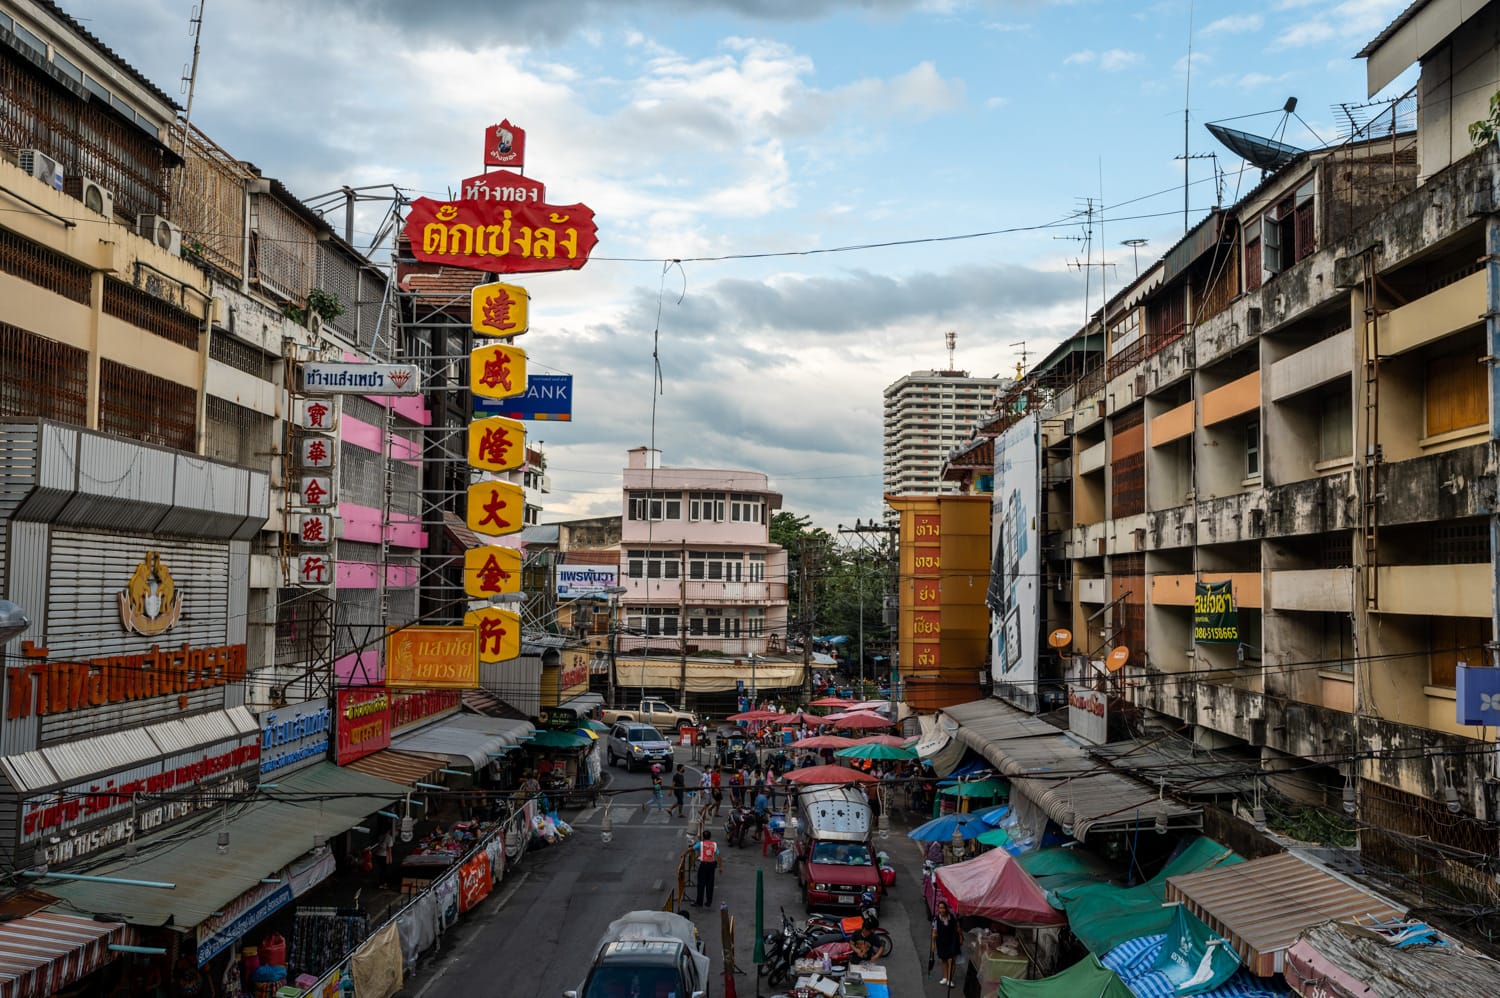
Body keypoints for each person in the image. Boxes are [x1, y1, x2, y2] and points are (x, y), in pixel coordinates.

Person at [932, 899, 962, 985]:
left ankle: (950, 979)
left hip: (952, 942)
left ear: (946, 909)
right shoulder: (936, 919)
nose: (942, 910)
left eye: (943, 908)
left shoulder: (952, 917)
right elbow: (934, 933)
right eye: (940, 908)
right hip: (941, 942)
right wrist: (933, 945)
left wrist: (960, 937)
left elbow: (958, 928)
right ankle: (945, 977)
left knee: (952, 961)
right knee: (944, 960)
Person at [693, 829, 720, 907]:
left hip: (704, 865)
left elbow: (691, 849)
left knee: (701, 884)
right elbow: (718, 855)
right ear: (710, 837)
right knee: (710, 884)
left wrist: (684, 854)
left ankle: (699, 902)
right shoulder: (714, 844)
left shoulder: (700, 844)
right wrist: (720, 866)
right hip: (711, 865)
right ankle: (708, 902)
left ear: (702, 836)